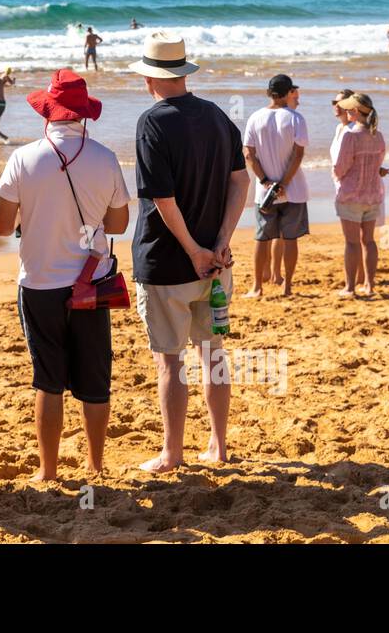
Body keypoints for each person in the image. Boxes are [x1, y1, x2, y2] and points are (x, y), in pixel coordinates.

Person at [0, 70, 129, 481]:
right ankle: (95, 464)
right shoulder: (104, 158)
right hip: (91, 284)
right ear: (84, 114)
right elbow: (118, 224)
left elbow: (1, 227)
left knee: (47, 379)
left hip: (39, 282)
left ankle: (48, 471)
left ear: (47, 113)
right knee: (95, 379)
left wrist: (30, 218)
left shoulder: (24, 158)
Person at [127, 32, 249, 472]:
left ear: (149, 79)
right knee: (213, 353)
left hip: (168, 262)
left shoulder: (152, 122)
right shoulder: (217, 116)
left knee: (170, 361)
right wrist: (220, 242)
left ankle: (172, 452)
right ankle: (218, 445)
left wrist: (196, 249)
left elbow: (162, 199)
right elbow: (241, 182)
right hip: (216, 261)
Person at [242, 75, 309, 298]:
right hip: (293, 190)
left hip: (265, 192)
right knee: (290, 240)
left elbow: (249, 155)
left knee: (261, 238)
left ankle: (257, 287)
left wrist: (265, 181)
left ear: (269, 93)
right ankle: (287, 286)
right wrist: (284, 183)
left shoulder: (255, 117)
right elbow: (298, 155)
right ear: (288, 92)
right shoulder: (296, 118)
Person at [332, 93, 387, 297]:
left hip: (351, 196)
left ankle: (350, 287)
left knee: (352, 243)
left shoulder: (350, 136)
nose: (346, 111)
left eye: (349, 109)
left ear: (355, 112)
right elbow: (379, 163)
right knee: (369, 241)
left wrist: (336, 176)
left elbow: (340, 167)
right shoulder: (377, 136)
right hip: (372, 195)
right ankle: (370, 285)